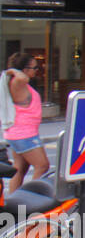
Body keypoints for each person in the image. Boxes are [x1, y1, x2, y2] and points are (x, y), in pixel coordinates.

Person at [1, 54, 47, 193]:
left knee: (20, 169)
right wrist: (12, 70)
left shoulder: (19, 83)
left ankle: (14, 200)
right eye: (34, 67)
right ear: (24, 69)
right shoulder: (17, 81)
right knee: (43, 166)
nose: (37, 70)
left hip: (18, 133)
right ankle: (33, 198)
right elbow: (22, 77)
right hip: (24, 134)